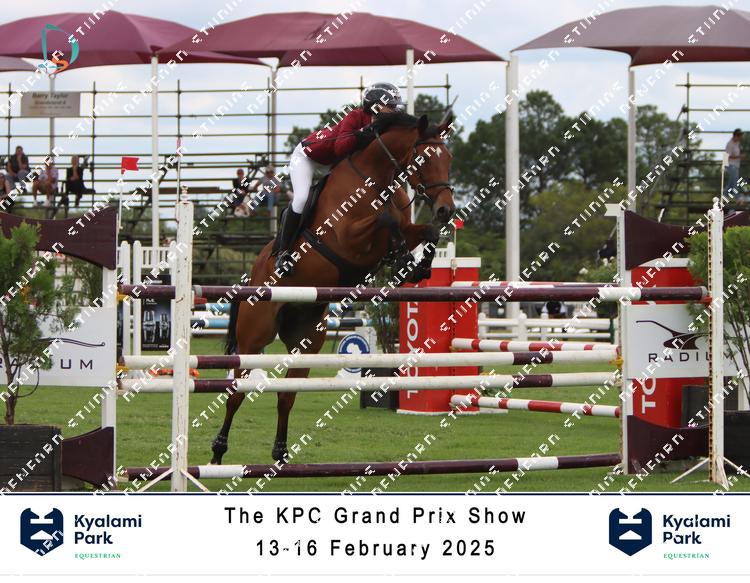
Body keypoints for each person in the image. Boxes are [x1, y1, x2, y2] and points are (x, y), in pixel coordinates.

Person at [274, 82, 404, 275]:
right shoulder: (355, 117)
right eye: (391, 106)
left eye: (394, 106)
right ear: (376, 105)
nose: (394, 110)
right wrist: (363, 133)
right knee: (301, 198)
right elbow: (340, 148)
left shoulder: (386, 126)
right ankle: (283, 252)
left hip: (334, 163)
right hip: (309, 157)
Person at [724, 128, 744, 197]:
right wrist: (739, 156)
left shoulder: (737, 143)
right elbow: (728, 156)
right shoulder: (730, 144)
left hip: (735, 165)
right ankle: (737, 197)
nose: (741, 138)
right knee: (734, 181)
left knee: (731, 182)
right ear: (736, 136)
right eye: (740, 136)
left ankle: (724, 196)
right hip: (731, 165)